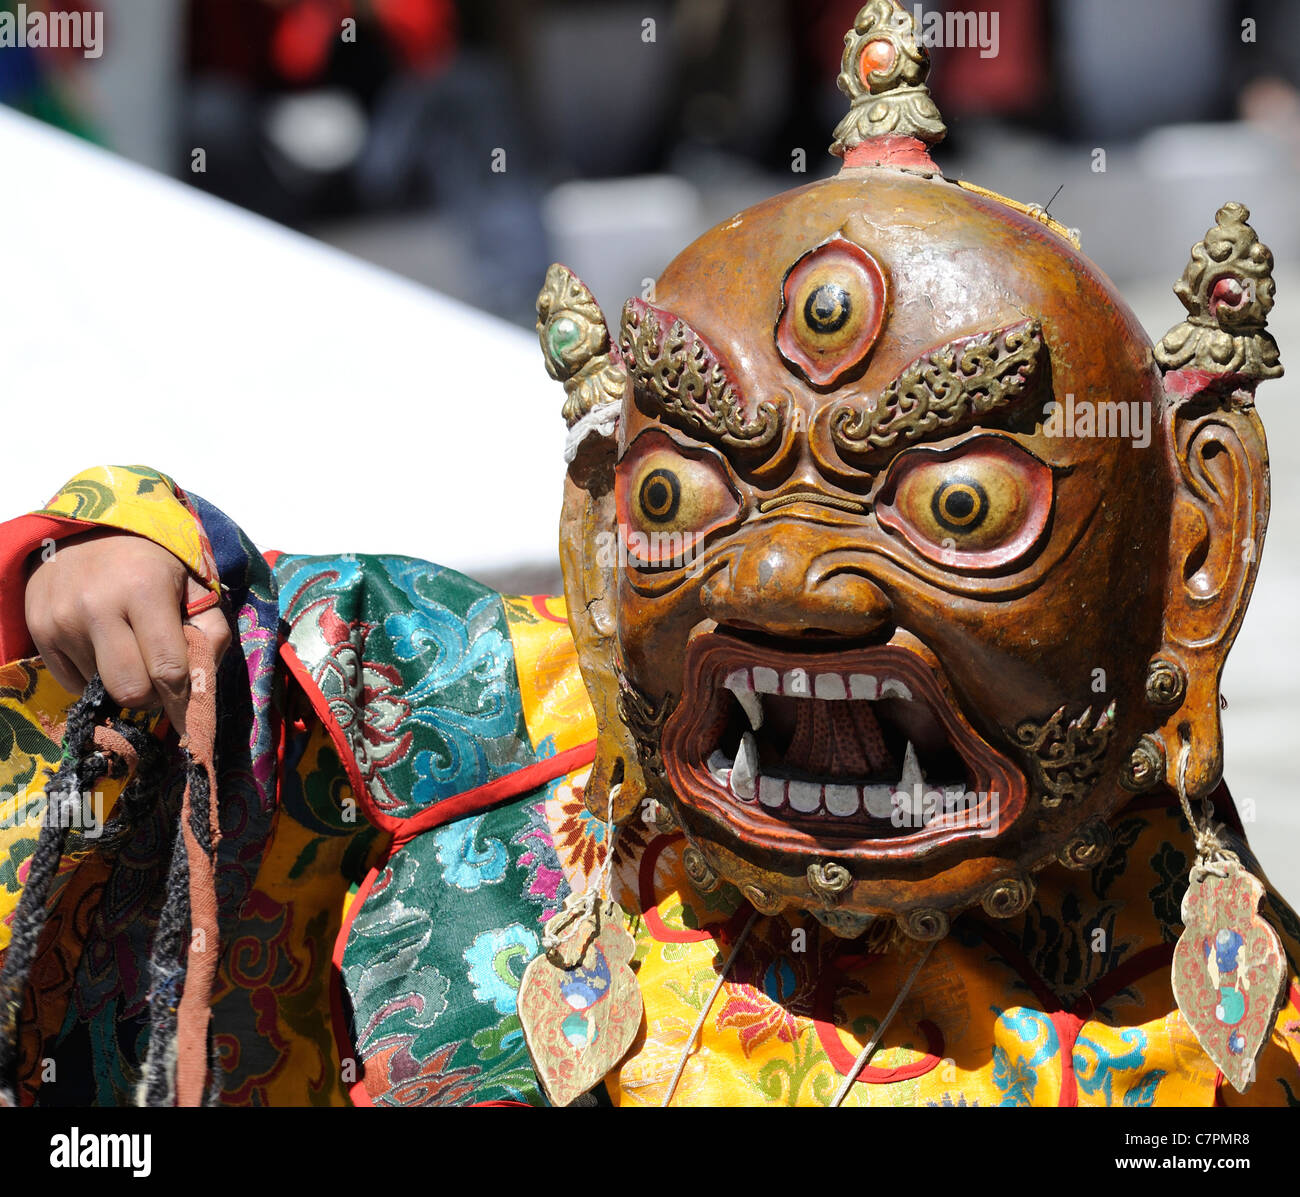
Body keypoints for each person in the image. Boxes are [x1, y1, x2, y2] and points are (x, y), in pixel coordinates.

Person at [2, 0, 1297, 1107]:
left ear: (1193, 552)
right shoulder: (521, 741)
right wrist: (113, 560)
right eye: (689, 496)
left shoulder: (1219, 1034)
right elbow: (255, 627)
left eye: (955, 509)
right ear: (599, 526)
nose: (783, 580)